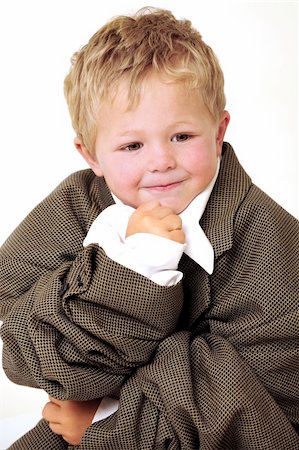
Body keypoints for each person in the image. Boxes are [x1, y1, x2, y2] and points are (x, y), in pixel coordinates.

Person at [0, 6, 298, 450]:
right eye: (132, 145)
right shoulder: (75, 205)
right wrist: (128, 270)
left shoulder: (277, 251)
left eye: (182, 137)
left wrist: (105, 421)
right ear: (92, 156)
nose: (160, 161)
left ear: (218, 132)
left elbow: (268, 424)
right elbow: (23, 350)